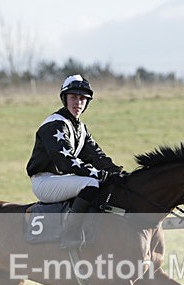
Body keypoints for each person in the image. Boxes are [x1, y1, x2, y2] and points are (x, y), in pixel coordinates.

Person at [27, 74, 124, 249]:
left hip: (61, 180)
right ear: (65, 99)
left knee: (103, 183)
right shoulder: (54, 125)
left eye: (82, 99)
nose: (78, 103)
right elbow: (66, 163)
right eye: (73, 97)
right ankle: (69, 235)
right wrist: (101, 174)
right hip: (44, 182)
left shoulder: (80, 128)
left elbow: (98, 157)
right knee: (91, 183)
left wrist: (120, 174)